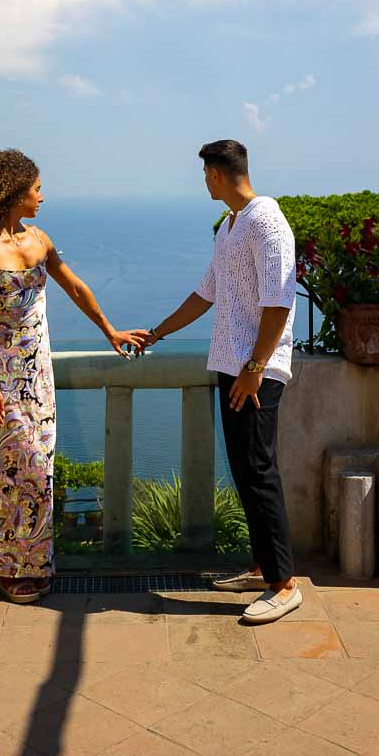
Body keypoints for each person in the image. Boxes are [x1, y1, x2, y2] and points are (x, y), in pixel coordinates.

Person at [0, 148, 143, 604]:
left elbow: (74, 285)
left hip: (38, 376)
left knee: (37, 470)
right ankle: (7, 566)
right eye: (36, 189)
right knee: (1, 475)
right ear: (14, 194)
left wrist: (110, 330)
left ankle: (32, 562)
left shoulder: (39, 240)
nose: (42, 196)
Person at [138, 139, 300, 624]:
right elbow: (204, 294)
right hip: (232, 368)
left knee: (259, 473)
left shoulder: (267, 221)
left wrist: (253, 369)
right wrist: (157, 333)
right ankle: (263, 567)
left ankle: (285, 585)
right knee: (246, 473)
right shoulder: (230, 227)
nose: (202, 182)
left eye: (203, 174)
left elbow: (279, 300)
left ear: (214, 174)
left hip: (256, 372)